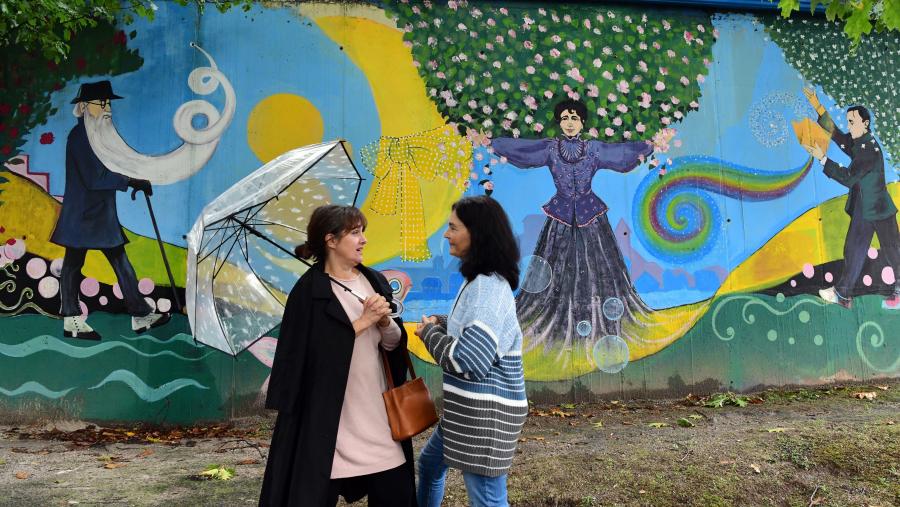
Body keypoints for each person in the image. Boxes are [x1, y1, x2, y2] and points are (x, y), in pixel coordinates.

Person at [259, 205, 416, 506]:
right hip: (327, 427)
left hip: (378, 421)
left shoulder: (374, 281)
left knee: (397, 493)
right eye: (355, 233)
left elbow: (393, 345)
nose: (364, 240)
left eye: (362, 232)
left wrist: (385, 324)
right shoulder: (307, 292)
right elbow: (304, 358)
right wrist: (363, 321)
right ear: (331, 241)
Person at [490, 99, 659, 350]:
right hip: (560, 216)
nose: (570, 123)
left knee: (600, 266)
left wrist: (647, 146)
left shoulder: (594, 149)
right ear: (559, 122)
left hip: (591, 216)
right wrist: (494, 142)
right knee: (555, 267)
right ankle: (558, 318)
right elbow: (523, 150)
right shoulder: (550, 149)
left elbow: (621, 155)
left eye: (575, 118)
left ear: (583, 122)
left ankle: (598, 316)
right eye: (565, 118)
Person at [415, 196, 526, 507]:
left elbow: (469, 360)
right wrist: (443, 322)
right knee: (430, 464)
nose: (446, 234)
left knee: (488, 500)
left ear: (477, 233)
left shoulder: (486, 289)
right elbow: (481, 334)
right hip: (467, 411)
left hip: (484, 416)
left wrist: (430, 335)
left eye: (453, 227)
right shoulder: (481, 281)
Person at [50, 80, 169, 340]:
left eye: (108, 103)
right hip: (83, 215)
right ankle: (75, 319)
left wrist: (134, 180)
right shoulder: (81, 137)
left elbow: (111, 168)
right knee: (75, 264)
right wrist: (130, 182)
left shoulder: (98, 136)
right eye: (101, 103)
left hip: (99, 214)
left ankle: (138, 313)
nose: (107, 108)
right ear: (83, 107)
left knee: (112, 261)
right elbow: (95, 178)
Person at [802, 88, 900, 310]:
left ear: (865, 124)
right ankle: (843, 295)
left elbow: (848, 178)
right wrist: (817, 105)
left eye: (853, 122)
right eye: (848, 121)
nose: (849, 126)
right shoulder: (859, 142)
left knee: (894, 250)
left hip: (879, 208)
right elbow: (836, 134)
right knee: (853, 250)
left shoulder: (869, 150)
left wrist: (823, 159)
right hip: (864, 208)